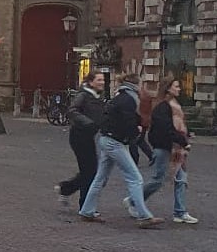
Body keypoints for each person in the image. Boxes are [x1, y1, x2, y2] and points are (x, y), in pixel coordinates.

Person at [79, 73, 163, 228]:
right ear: (136, 84)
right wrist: (136, 132)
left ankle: (87, 210)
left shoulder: (121, 96)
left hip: (107, 138)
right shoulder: (129, 99)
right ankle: (144, 215)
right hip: (115, 142)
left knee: (100, 178)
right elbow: (128, 120)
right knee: (135, 177)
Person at [126, 75, 198, 224]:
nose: (179, 89)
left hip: (176, 149)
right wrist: (182, 140)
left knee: (181, 179)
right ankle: (133, 200)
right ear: (168, 88)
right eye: (176, 86)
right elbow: (166, 129)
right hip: (166, 148)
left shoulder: (174, 105)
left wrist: (186, 134)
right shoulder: (163, 107)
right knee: (158, 180)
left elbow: (177, 126)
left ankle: (180, 212)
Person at [56, 71, 105, 210]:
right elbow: (72, 111)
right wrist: (88, 122)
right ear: (91, 82)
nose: (102, 82)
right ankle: (84, 206)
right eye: (99, 79)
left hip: (88, 136)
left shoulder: (97, 97)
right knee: (90, 171)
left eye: (102, 79)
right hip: (79, 136)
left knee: (88, 170)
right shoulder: (83, 95)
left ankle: (66, 189)